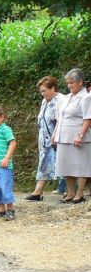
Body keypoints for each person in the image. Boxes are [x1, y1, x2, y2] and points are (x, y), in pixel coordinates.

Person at [53, 68, 91, 203]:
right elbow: (60, 118)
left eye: (72, 82)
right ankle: (70, 193)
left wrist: (80, 135)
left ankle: (80, 194)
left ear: (80, 82)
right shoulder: (67, 97)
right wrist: (55, 134)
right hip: (64, 136)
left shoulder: (86, 97)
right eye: (68, 83)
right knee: (66, 165)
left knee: (81, 165)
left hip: (79, 137)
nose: (69, 85)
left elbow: (88, 118)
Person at [26, 76, 62, 201]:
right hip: (45, 139)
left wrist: (55, 135)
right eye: (41, 91)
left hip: (57, 139)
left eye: (44, 91)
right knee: (44, 164)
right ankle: (37, 192)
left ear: (53, 88)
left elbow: (61, 120)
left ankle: (75, 192)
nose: (42, 94)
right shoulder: (45, 101)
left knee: (63, 165)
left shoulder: (60, 100)